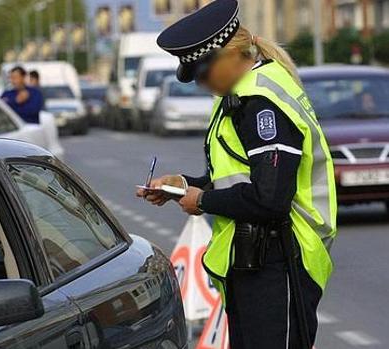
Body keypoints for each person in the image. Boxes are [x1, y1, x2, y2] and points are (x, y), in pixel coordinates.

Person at [136, 1, 337, 348]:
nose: (200, 82)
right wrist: (183, 185)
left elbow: (270, 199)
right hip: (254, 260)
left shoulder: (263, 104)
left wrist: (203, 200)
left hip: (282, 257)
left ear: (231, 54)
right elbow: (238, 178)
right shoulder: (238, 96)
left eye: (203, 71)